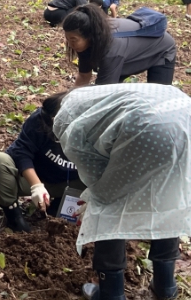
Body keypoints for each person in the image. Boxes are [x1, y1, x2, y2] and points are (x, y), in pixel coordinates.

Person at [51, 84, 191, 300]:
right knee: (169, 197)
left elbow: (94, 172)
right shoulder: (97, 96)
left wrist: (94, 197)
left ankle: (111, 292)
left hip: (147, 127)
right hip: (185, 116)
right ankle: (166, 286)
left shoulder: (65, 117)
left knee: (108, 206)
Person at [0, 95, 85, 232]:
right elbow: (21, 151)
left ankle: (59, 207)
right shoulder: (41, 119)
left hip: (75, 184)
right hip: (36, 177)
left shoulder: (97, 128)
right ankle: (14, 217)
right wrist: (36, 186)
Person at [63, 4, 176, 86]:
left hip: (161, 49)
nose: (70, 44)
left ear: (89, 36)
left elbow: (103, 92)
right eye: (67, 38)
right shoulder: (84, 41)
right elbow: (84, 77)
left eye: (73, 40)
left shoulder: (111, 50)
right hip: (126, 52)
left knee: (157, 96)